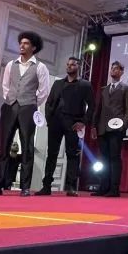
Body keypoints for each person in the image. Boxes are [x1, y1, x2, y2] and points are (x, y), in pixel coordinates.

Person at [0, 31, 50, 196]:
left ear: (33, 47)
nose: (22, 46)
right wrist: (10, 99)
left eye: (26, 43)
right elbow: (5, 85)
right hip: (9, 106)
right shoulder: (11, 64)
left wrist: (31, 103)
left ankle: (25, 187)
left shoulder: (40, 67)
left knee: (27, 146)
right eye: (21, 43)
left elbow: (44, 91)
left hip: (28, 107)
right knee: (3, 147)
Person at [42, 57, 94, 196]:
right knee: (51, 153)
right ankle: (46, 185)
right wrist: (49, 118)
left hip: (73, 123)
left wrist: (83, 122)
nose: (69, 66)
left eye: (73, 64)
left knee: (72, 155)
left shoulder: (85, 85)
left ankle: (71, 186)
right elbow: (49, 102)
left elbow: (92, 106)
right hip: (55, 122)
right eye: (68, 64)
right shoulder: (58, 83)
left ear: (79, 67)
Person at [93, 60, 128, 197]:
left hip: (117, 129)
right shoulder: (104, 89)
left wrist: (123, 125)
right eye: (112, 68)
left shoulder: (127, 88)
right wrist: (94, 126)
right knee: (103, 159)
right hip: (102, 128)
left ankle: (114, 188)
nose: (113, 70)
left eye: (116, 68)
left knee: (114, 158)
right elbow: (97, 109)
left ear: (121, 72)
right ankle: (103, 186)